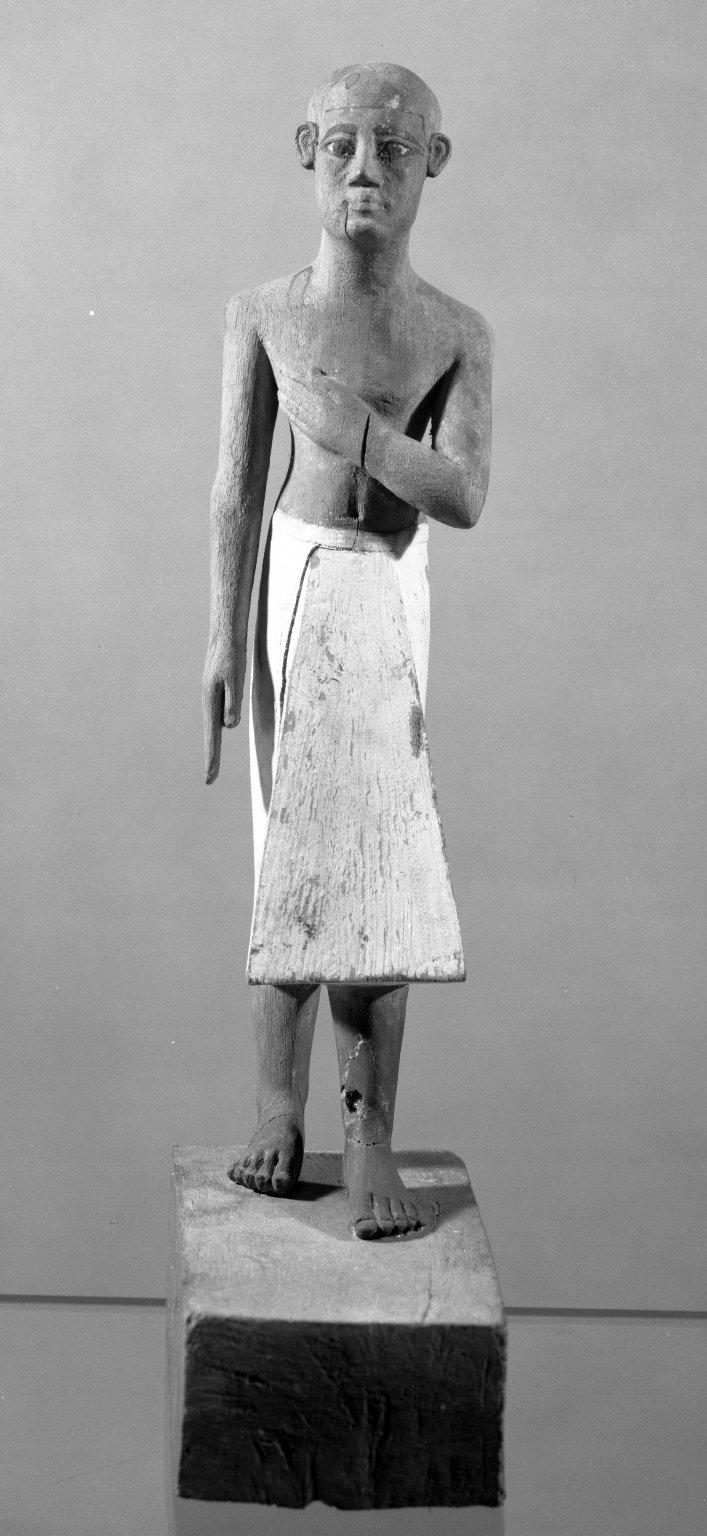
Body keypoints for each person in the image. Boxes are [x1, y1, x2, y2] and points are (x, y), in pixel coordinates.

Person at [202, 63, 493, 1238]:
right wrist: (219, 636)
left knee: (377, 857)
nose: (364, 169)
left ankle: (367, 1129)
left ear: (433, 161)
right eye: (341, 145)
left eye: (392, 145)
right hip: (292, 578)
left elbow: (460, 493)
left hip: (387, 586)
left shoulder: (453, 332)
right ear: (305, 152)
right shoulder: (265, 311)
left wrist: (362, 435)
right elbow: (235, 487)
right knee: (286, 851)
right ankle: (277, 1108)